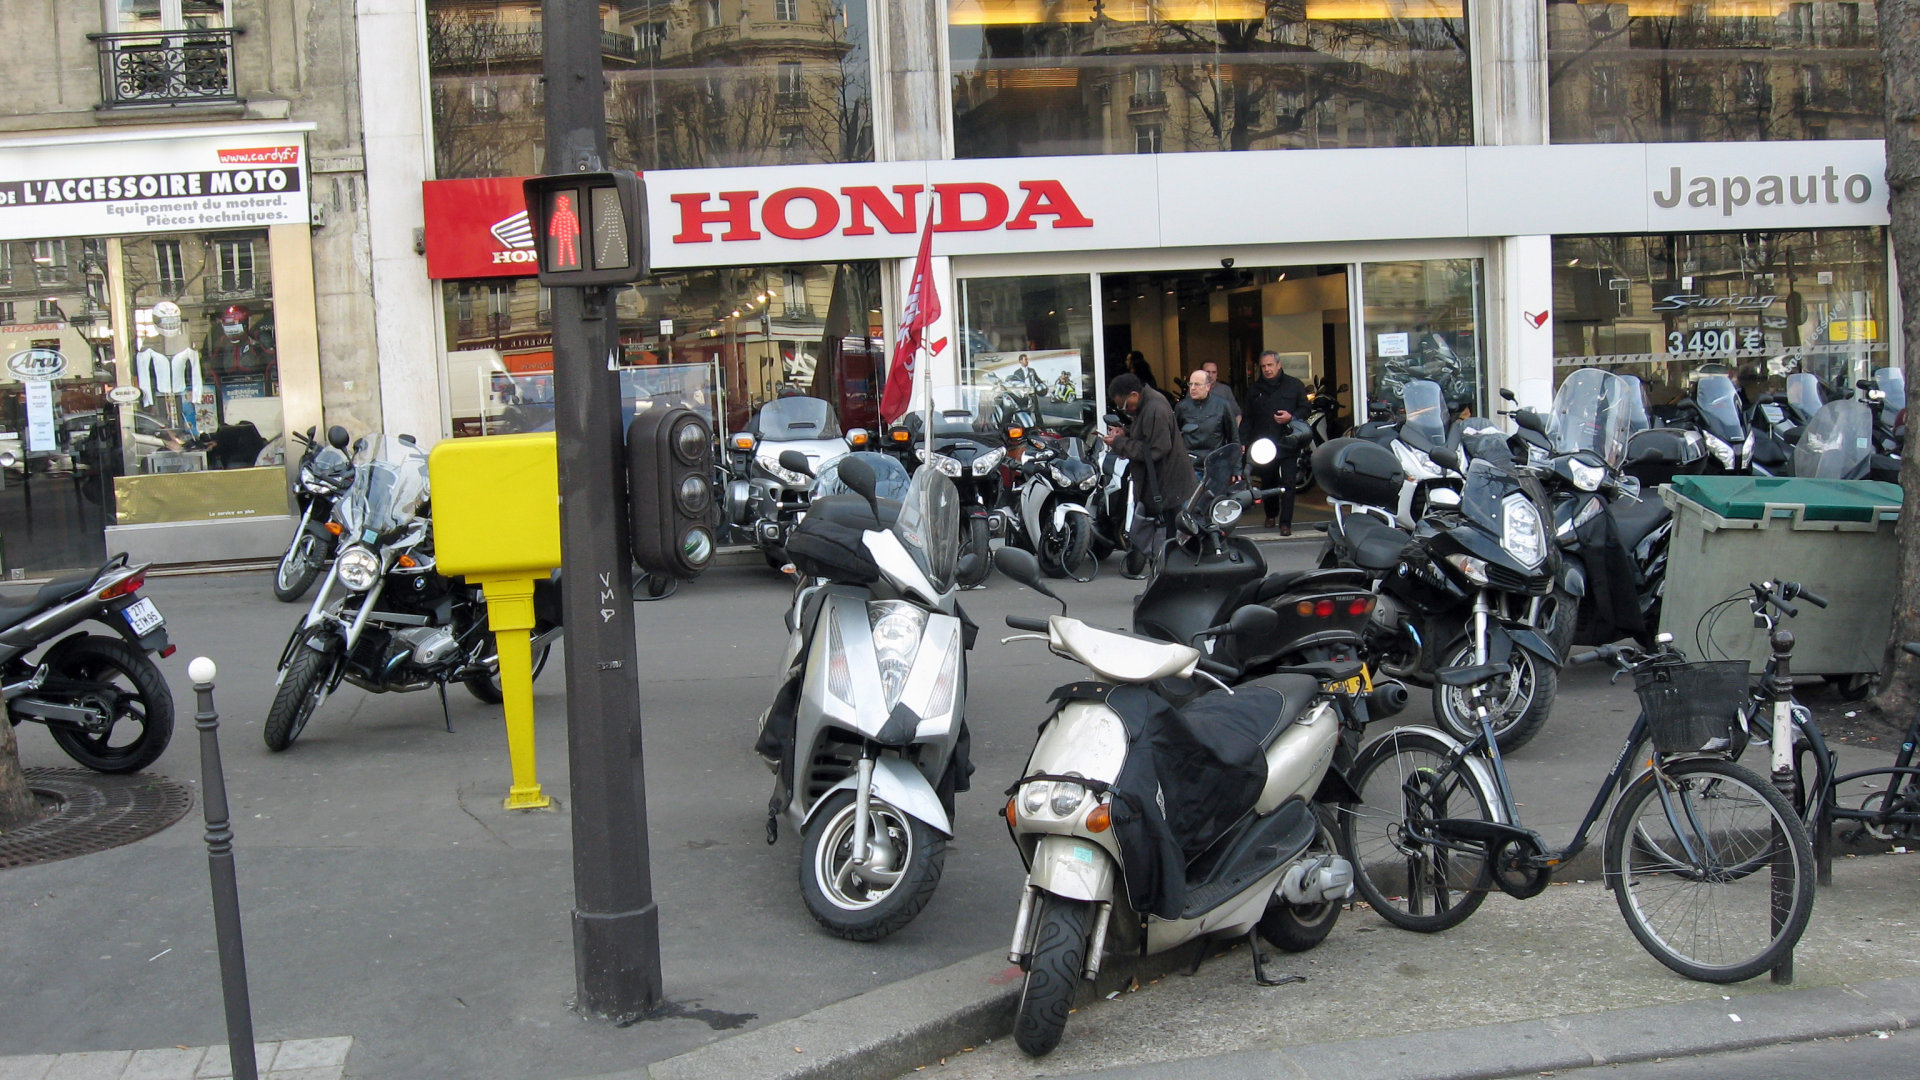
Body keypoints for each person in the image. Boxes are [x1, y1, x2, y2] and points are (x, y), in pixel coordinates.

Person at [1105, 373, 1197, 579]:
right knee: (1163, 539)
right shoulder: (1148, 404)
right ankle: (1163, 578)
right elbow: (1146, 434)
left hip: (1167, 485)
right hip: (1163, 484)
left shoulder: (1155, 408)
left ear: (1134, 394)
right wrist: (1126, 432)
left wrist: (1119, 443)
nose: (1124, 410)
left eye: (1124, 405)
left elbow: (1156, 449)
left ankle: (1167, 582)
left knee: (1167, 539)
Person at [1241, 350, 1309, 535]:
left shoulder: (1294, 385)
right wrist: (1243, 441)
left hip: (1288, 441)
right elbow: (1248, 417)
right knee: (1268, 481)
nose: (1267, 369)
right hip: (1265, 444)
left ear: (1279, 365)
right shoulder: (1255, 389)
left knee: (1289, 483)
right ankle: (1271, 514)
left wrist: (1291, 417)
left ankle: (1286, 523)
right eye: (1263, 366)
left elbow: (1305, 408)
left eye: (1270, 365)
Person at [1175, 369, 1237, 461]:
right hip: (1190, 461)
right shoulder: (1181, 407)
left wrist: (1235, 466)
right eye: (1190, 384)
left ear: (1208, 386)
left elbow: (1233, 438)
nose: (1192, 388)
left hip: (1215, 461)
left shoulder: (1222, 406)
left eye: (1197, 384)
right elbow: (1175, 437)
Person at [1202, 359, 1241, 424]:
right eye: (1208, 372)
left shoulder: (1225, 390)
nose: (1210, 375)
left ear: (1217, 375)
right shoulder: (1194, 389)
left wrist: (1237, 427)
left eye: (1214, 372)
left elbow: (1237, 413)